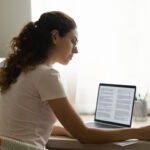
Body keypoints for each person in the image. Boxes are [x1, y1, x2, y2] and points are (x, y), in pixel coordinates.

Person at [0, 11, 150, 148]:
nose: (76, 50)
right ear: (55, 36)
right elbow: (84, 136)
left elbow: (25, 124)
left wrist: (69, 130)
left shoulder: (11, 67)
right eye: (73, 41)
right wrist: (138, 133)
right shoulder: (46, 75)